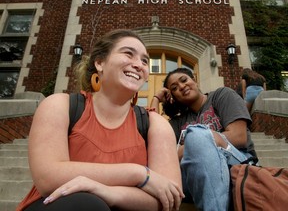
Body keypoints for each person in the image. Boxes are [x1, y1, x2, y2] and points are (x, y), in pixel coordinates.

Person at [17, 29, 184, 211]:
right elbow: (48, 178)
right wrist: (137, 173)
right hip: (59, 204)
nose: (139, 65)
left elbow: (170, 198)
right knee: (87, 204)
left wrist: (105, 191)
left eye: (144, 61)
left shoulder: (155, 124)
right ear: (99, 63)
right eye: (128, 54)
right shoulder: (60, 105)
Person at [150, 68, 257, 211]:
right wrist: (156, 98)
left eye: (184, 80)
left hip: (237, 162)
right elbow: (159, 150)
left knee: (197, 135)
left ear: (194, 80)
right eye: (174, 88)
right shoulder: (177, 122)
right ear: (173, 96)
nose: (181, 86)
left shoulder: (221, 95)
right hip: (194, 174)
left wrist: (192, 144)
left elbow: (239, 136)